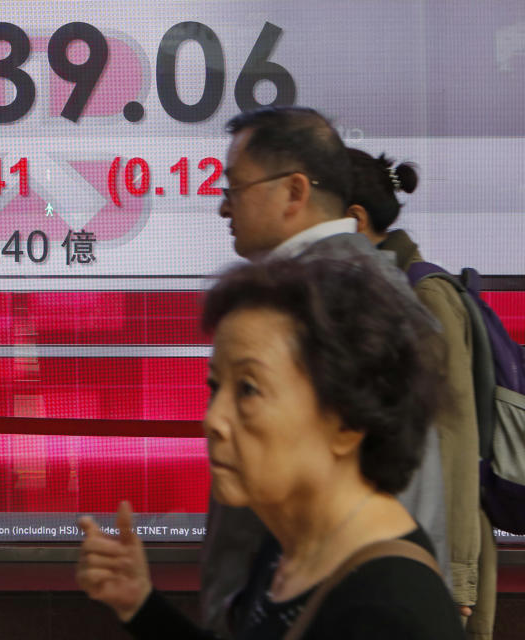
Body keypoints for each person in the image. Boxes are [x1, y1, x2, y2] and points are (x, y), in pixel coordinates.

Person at [76, 258, 465, 639]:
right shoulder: (289, 546)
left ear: (348, 421)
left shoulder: (390, 614)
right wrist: (141, 605)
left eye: (248, 389)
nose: (213, 419)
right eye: (215, 387)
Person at [198, 106, 450, 636]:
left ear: (294, 191)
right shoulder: (354, 290)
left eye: (235, 188)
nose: (223, 207)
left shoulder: (338, 302)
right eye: (216, 388)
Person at [346, 148, 496, 639]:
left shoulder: (423, 297)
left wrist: (458, 579)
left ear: (354, 220)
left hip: (432, 560)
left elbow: (454, 443)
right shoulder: (365, 295)